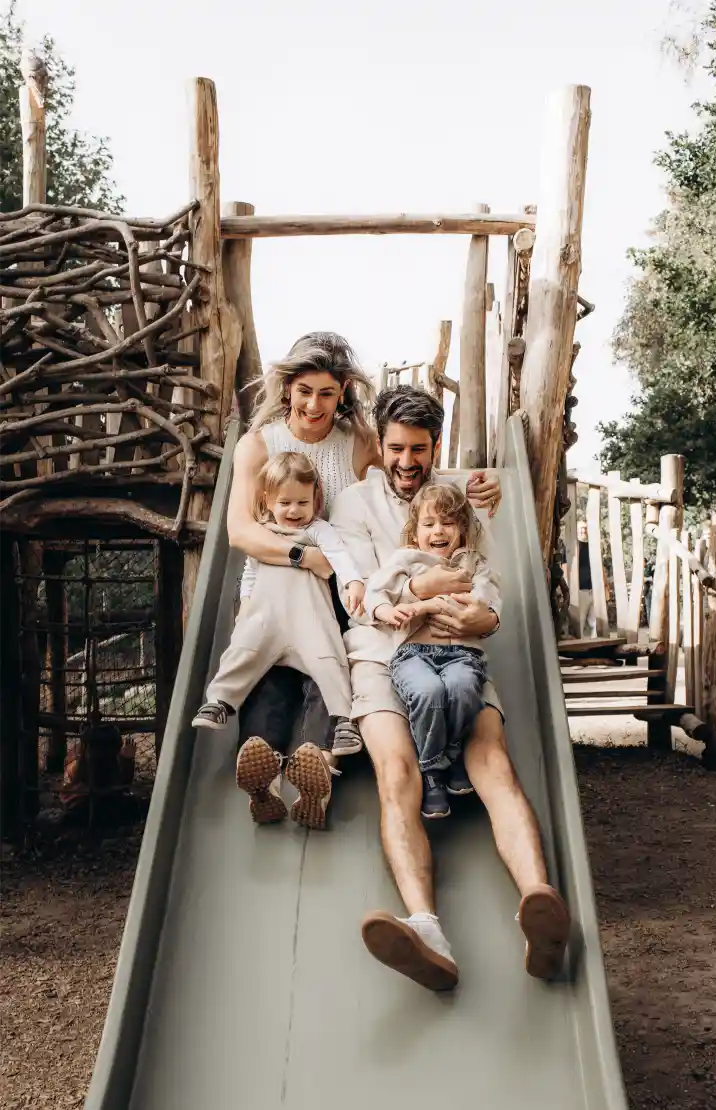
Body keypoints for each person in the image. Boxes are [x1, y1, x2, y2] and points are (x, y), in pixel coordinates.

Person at [331, 385, 570, 992]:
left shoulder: (463, 496)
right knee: (397, 773)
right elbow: (358, 596)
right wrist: (420, 591)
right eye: (395, 449)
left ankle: (539, 906)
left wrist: (483, 620)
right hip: (383, 658)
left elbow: (492, 586)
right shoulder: (354, 505)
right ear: (378, 447)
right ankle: (427, 930)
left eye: (418, 448)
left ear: (435, 444)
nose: (407, 462)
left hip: (459, 653)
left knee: (492, 760)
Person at [225, 333, 501, 825]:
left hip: (340, 588)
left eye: (327, 393)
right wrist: (305, 558)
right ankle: (262, 776)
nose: (314, 404)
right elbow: (240, 529)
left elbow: (412, 474)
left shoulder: (358, 441)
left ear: (344, 391)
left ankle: (317, 774)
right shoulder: (258, 444)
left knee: (324, 670)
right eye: (304, 390)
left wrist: (477, 484)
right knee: (272, 673)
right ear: (287, 388)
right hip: (280, 580)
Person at [192, 452, 366, 828]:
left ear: (315, 500)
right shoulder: (264, 535)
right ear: (267, 503)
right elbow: (251, 574)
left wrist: (353, 581)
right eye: (284, 503)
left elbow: (339, 555)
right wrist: (246, 610)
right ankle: (222, 705)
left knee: (330, 662)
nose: (293, 510)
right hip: (269, 619)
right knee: (245, 655)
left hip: (309, 619)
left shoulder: (319, 529)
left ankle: (338, 730)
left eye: (302, 502)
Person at [364, 482, 501, 819]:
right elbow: (375, 593)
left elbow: (485, 602)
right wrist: (386, 610)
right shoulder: (405, 560)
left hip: (462, 655)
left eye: (448, 522)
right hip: (413, 654)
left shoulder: (474, 563)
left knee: (462, 687)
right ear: (415, 532)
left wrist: (426, 607)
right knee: (428, 691)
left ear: (463, 529)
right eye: (429, 524)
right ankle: (433, 771)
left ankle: (450, 753)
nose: (438, 531)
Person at [577, 520, 596, 638]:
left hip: (593, 589)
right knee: (580, 621)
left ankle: (596, 646)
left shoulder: (592, 547)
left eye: (585, 528)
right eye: (581, 528)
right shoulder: (572, 547)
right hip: (580, 590)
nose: (584, 530)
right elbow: (565, 567)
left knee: (595, 621)